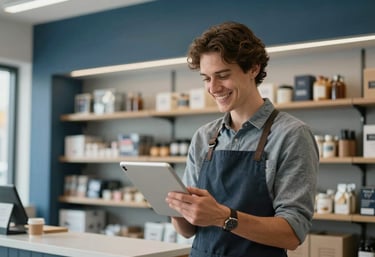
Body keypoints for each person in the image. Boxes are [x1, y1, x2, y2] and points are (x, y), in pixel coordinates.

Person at [165, 21, 319, 257]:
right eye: (206, 78)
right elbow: (188, 230)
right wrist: (175, 206)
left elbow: (292, 233)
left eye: (223, 75)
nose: (213, 88)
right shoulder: (204, 137)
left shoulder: (291, 134)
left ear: (253, 69)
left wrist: (222, 216)